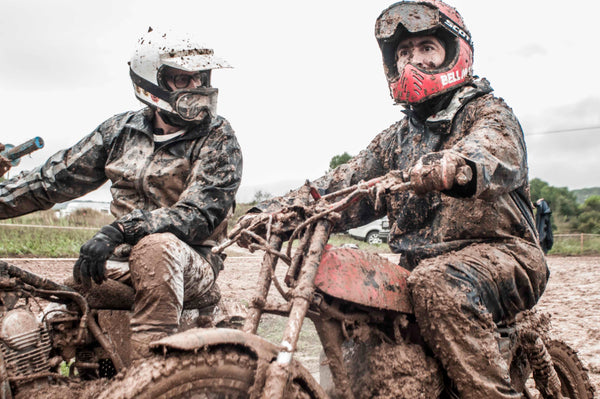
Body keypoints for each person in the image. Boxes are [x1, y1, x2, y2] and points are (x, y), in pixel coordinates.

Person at [234, 1, 548, 397]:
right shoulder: (396, 139)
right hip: (418, 269)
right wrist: (276, 210)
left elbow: (493, 151)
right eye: (403, 53)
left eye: (426, 48)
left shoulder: (488, 112)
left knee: (438, 283)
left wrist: (455, 164)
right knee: (350, 299)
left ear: (455, 52)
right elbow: (341, 183)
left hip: (504, 256)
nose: (412, 62)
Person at [0, 28, 243, 360]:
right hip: (120, 263)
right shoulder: (120, 131)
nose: (197, 88)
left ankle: (150, 373)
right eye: (182, 80)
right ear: (152, 81)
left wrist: (121, 229)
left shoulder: (218, 137)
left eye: (200, 77)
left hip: (190, 264)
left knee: (158, 249)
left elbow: (199, 214)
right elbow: (53, 180)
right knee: (38, 296)